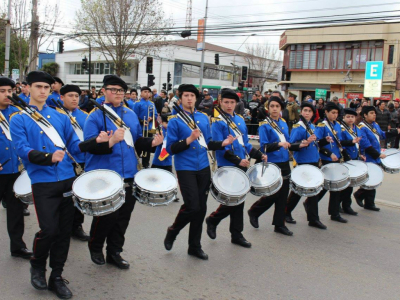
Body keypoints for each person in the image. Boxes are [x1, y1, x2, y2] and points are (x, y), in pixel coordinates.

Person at [10, 71, 113, 299]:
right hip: (43, 182)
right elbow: (21, 149)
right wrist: (48, 158)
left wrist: (94, 141)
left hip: (67, 180)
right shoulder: (19, 118)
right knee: (49, 229)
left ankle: (56, 276)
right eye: (38, 87)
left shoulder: (60, 117)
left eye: (46, 87)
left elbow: (74, 147)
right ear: (27, 88)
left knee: (64, 232)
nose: (43, 91)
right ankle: (37, 266)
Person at [85, 75, 163, 270]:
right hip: (104, 174)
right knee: (106, 215)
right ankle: (95, 247)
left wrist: (151, 143)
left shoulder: (129, 114)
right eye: (113, 90)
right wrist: (109, 142)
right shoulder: (94, 116)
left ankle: (114, 252)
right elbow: (88, 146)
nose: (118, 94)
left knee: (123, 217)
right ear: (103, 91)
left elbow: (136, 141)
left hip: (129, 172)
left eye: (121, 91)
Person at [163, 84, 235, 260]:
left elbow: (209, 143)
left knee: (201, 209)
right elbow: (170, 149)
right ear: (180, 99)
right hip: (185, 167)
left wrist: (223, 144)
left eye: (192, 96)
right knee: (192, 206)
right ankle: (173, 230)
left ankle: (194, 246)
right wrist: (189, 139)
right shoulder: (174, 121)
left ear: (196, 99)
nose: (189, 98)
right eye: (186, 95)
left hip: (203, 167)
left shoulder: (204, 118)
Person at [205, 89, 267, 248]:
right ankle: (218, 221)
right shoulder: (217, 122)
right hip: (228, 165)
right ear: (220, 102)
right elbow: (220, 148)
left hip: (242, 165)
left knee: (239, 200)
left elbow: (245, 144)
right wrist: (238, 160)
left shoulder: (239, 120)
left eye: (232, 102)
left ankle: (232, 231)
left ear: (236, 104)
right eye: (226, 102)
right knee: (234, 199)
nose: (229, 105)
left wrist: (259, 155)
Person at [248, 96, 299, 236]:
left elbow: (287, 143)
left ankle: (279, 224)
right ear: (268, 108)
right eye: (272, 106)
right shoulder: (264, 124)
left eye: (277, 106)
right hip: (272, 163)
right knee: (273, 194)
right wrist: (278, 145)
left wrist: (300, 144)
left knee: (283, 195)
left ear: (281, 108)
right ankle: (254, 210)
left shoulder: (283, 122)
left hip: (284, 162)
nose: (274, 108)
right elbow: (264, 147)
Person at [285, 102, 332, 229]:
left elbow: (314, 143)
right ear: (301, 112)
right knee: (297, 191)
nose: (307, 113)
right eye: (305, 110)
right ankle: (286, 212)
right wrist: (303, 143)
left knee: (313, 190)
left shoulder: (312, 126)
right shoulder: (298, 127)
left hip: (314, 160)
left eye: (309, 111)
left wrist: (324, 141)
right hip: (302, 161)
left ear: (313, 114)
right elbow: (291, 144)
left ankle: (313, 219)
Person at [0, 77, 32, 259]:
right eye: (2, 91)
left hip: (15, 171)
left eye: (10, 91)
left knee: (16, 212)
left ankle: (18, 246)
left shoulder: (17, 114)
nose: (7, 94)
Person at [58, 84, 90, 241]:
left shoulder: (85, 116)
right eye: (70, 96)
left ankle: (77, 225)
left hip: (82, 160)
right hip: (62, 161)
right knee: (63, 196)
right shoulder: (55, 115)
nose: (74, 99)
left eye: (77, 96)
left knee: (79, 194)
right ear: (61, 97)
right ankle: (61, 225)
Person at [354, 106, 400, 211]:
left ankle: (368, 202)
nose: (374, 115)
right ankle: (361, 195)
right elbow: (365, 144)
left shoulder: (375, 124)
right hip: (368, 157)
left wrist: (395, 132)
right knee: (370, 179)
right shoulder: (361, 127)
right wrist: (378, 155)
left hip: (375, 156)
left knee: (374, 180)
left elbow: (382, 135)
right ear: (365, 115)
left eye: (374, 113)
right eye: (371, 113)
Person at [314, 102, 350, 224]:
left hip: (337, 158)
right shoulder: (321, 125)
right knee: (325, 186)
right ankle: (310, 203)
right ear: (326, 113)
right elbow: (317, 143)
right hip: (326, 158)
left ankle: (334, 213)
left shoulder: (338, 125)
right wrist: (329, 153)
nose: (335, 115)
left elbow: (339, 141)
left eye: (336, 113)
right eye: (332, 113)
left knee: (336, 187)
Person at [338, 108, 368, 216]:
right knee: (343, 184)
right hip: (345, 158)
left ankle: (346, 205)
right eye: (348, 117)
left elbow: (359, 143)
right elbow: (340, 142)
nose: (350, 119)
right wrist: (351, 141)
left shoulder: (357, 128)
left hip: (355, 157)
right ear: (343, 118)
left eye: (352, 117)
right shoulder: (341, 129)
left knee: (350, 184)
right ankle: (338, 205)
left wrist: (361, 154)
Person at [133, 86, 158, 168]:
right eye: (145, 92)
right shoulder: (138, 103)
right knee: (139, 146)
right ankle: (135, 163)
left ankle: (146, 164)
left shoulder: (152, 104)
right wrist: (142, 121)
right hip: (141, 128)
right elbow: (134, 116)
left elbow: (155, 114)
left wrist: (151, 118)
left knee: (148, 147)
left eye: (148, 92)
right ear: (141, 93)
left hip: (150, 128)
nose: (147, 93)